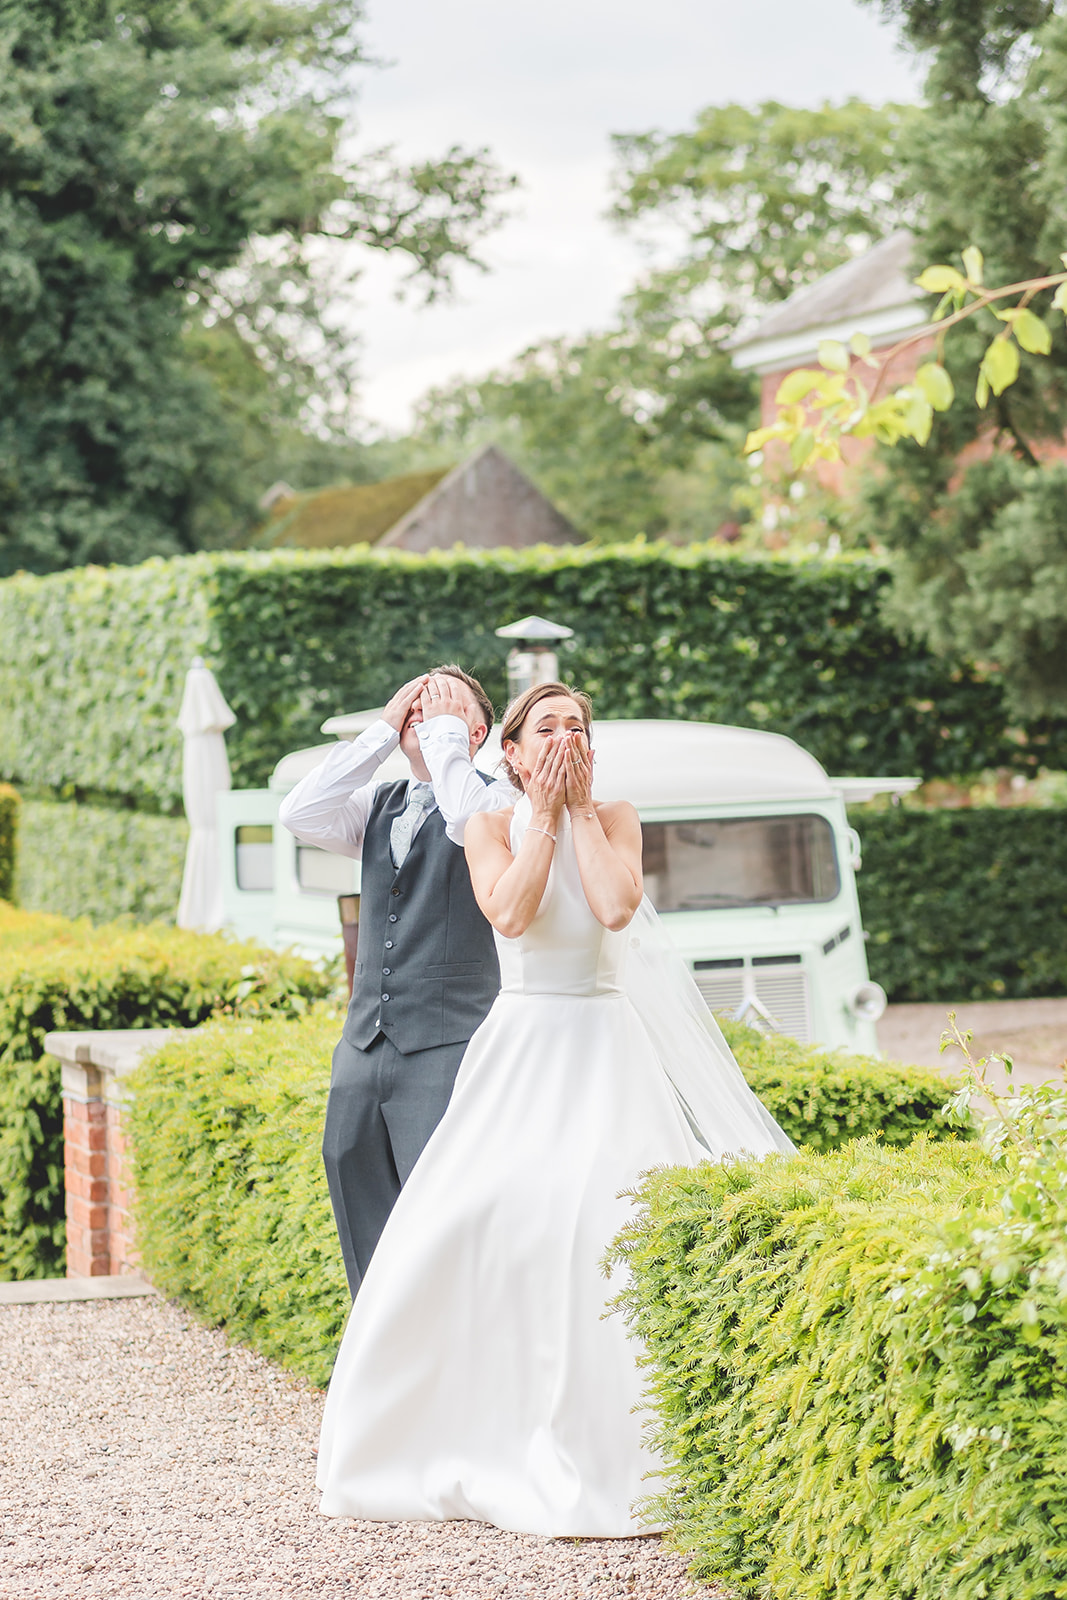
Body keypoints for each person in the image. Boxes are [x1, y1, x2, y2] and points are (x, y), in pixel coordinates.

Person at [316, 682, 794, 1538]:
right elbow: (511, 909)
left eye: (578, 726)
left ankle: (633, 1448)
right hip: (522, 1045)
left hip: (605, 1047)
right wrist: (538, 814)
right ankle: (467, 1429)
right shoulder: (487, 824)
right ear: (515, 751)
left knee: (606, 1231)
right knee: (472, 1225)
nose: (566, 736)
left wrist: (574, 812)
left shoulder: (615, 816)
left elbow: (612, 906)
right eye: (548, 727)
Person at [278, 666, 516, 1297]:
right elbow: (299, 812)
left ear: (478, 729)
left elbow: (466, 816)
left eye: (442, 702)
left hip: (447, 1046)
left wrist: (445, 739)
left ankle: (454, 1363)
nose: (423, 708)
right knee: (355, 1195)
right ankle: (378, 1362)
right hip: (362, 1047)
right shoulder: (378, 804)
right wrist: (381, 733)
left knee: (441, 1215)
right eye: (416, 699)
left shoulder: (498, 807)